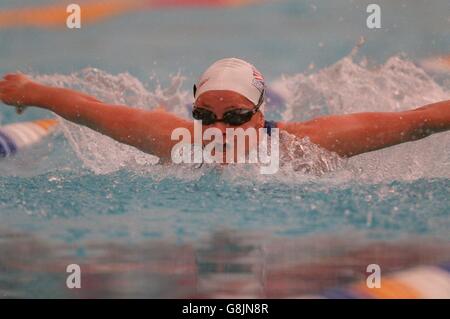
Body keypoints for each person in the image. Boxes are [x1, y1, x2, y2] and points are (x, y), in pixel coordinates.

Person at [0, 58, 449, 164]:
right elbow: (88, 109)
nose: (218, 130)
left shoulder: (302, 146)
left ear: (260, 111)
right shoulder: (172, 139)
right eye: (204, 116)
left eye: (234, 117)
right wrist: (31, 90)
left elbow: (417, 122)